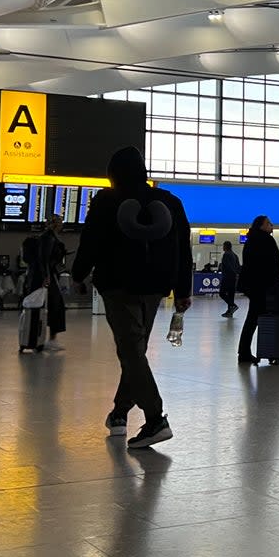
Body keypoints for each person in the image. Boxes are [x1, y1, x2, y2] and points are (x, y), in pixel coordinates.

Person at [71, 146, 191, 449]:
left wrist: (77, 274)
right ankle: (120, 413)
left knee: (130, 351)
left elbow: (91, 241)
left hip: (118, 286)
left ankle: (155, 419)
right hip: (155, 289)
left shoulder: (106, 201)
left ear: (114, 175)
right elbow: (183, 249)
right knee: (134, 350)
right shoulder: (171, 202)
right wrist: (183, 291)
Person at [237, 215, 279, 364]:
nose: (272, 225)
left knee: (252, 318)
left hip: (252, 285)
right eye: (269, 223)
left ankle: (245, 351)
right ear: (261, 226)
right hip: (264, 286)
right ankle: (269, 352)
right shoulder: (266, 240)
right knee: (260, 318)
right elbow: (274, 262)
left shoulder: (250, 240)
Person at [26, 213, 68, 351]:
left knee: (42, 307)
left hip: (41, 275)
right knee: (56, 305)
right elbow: (44, 258)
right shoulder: (49, 238)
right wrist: (47, 276)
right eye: (60, 222)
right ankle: (51, 339)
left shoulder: (47, 237)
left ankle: (36, 339)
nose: (62, 225)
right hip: (45, 276)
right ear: (56, 224)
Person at [219, 241, 241, 317]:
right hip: (234, 278)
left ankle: (233, 305)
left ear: (225, 246)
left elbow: (228, 267)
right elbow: (238, 267)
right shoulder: (235, 255)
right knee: (231, 295)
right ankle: (230, 312)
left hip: (227, 277)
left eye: (223, 246)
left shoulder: (226, 254)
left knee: (222, 293)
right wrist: (236, 274)